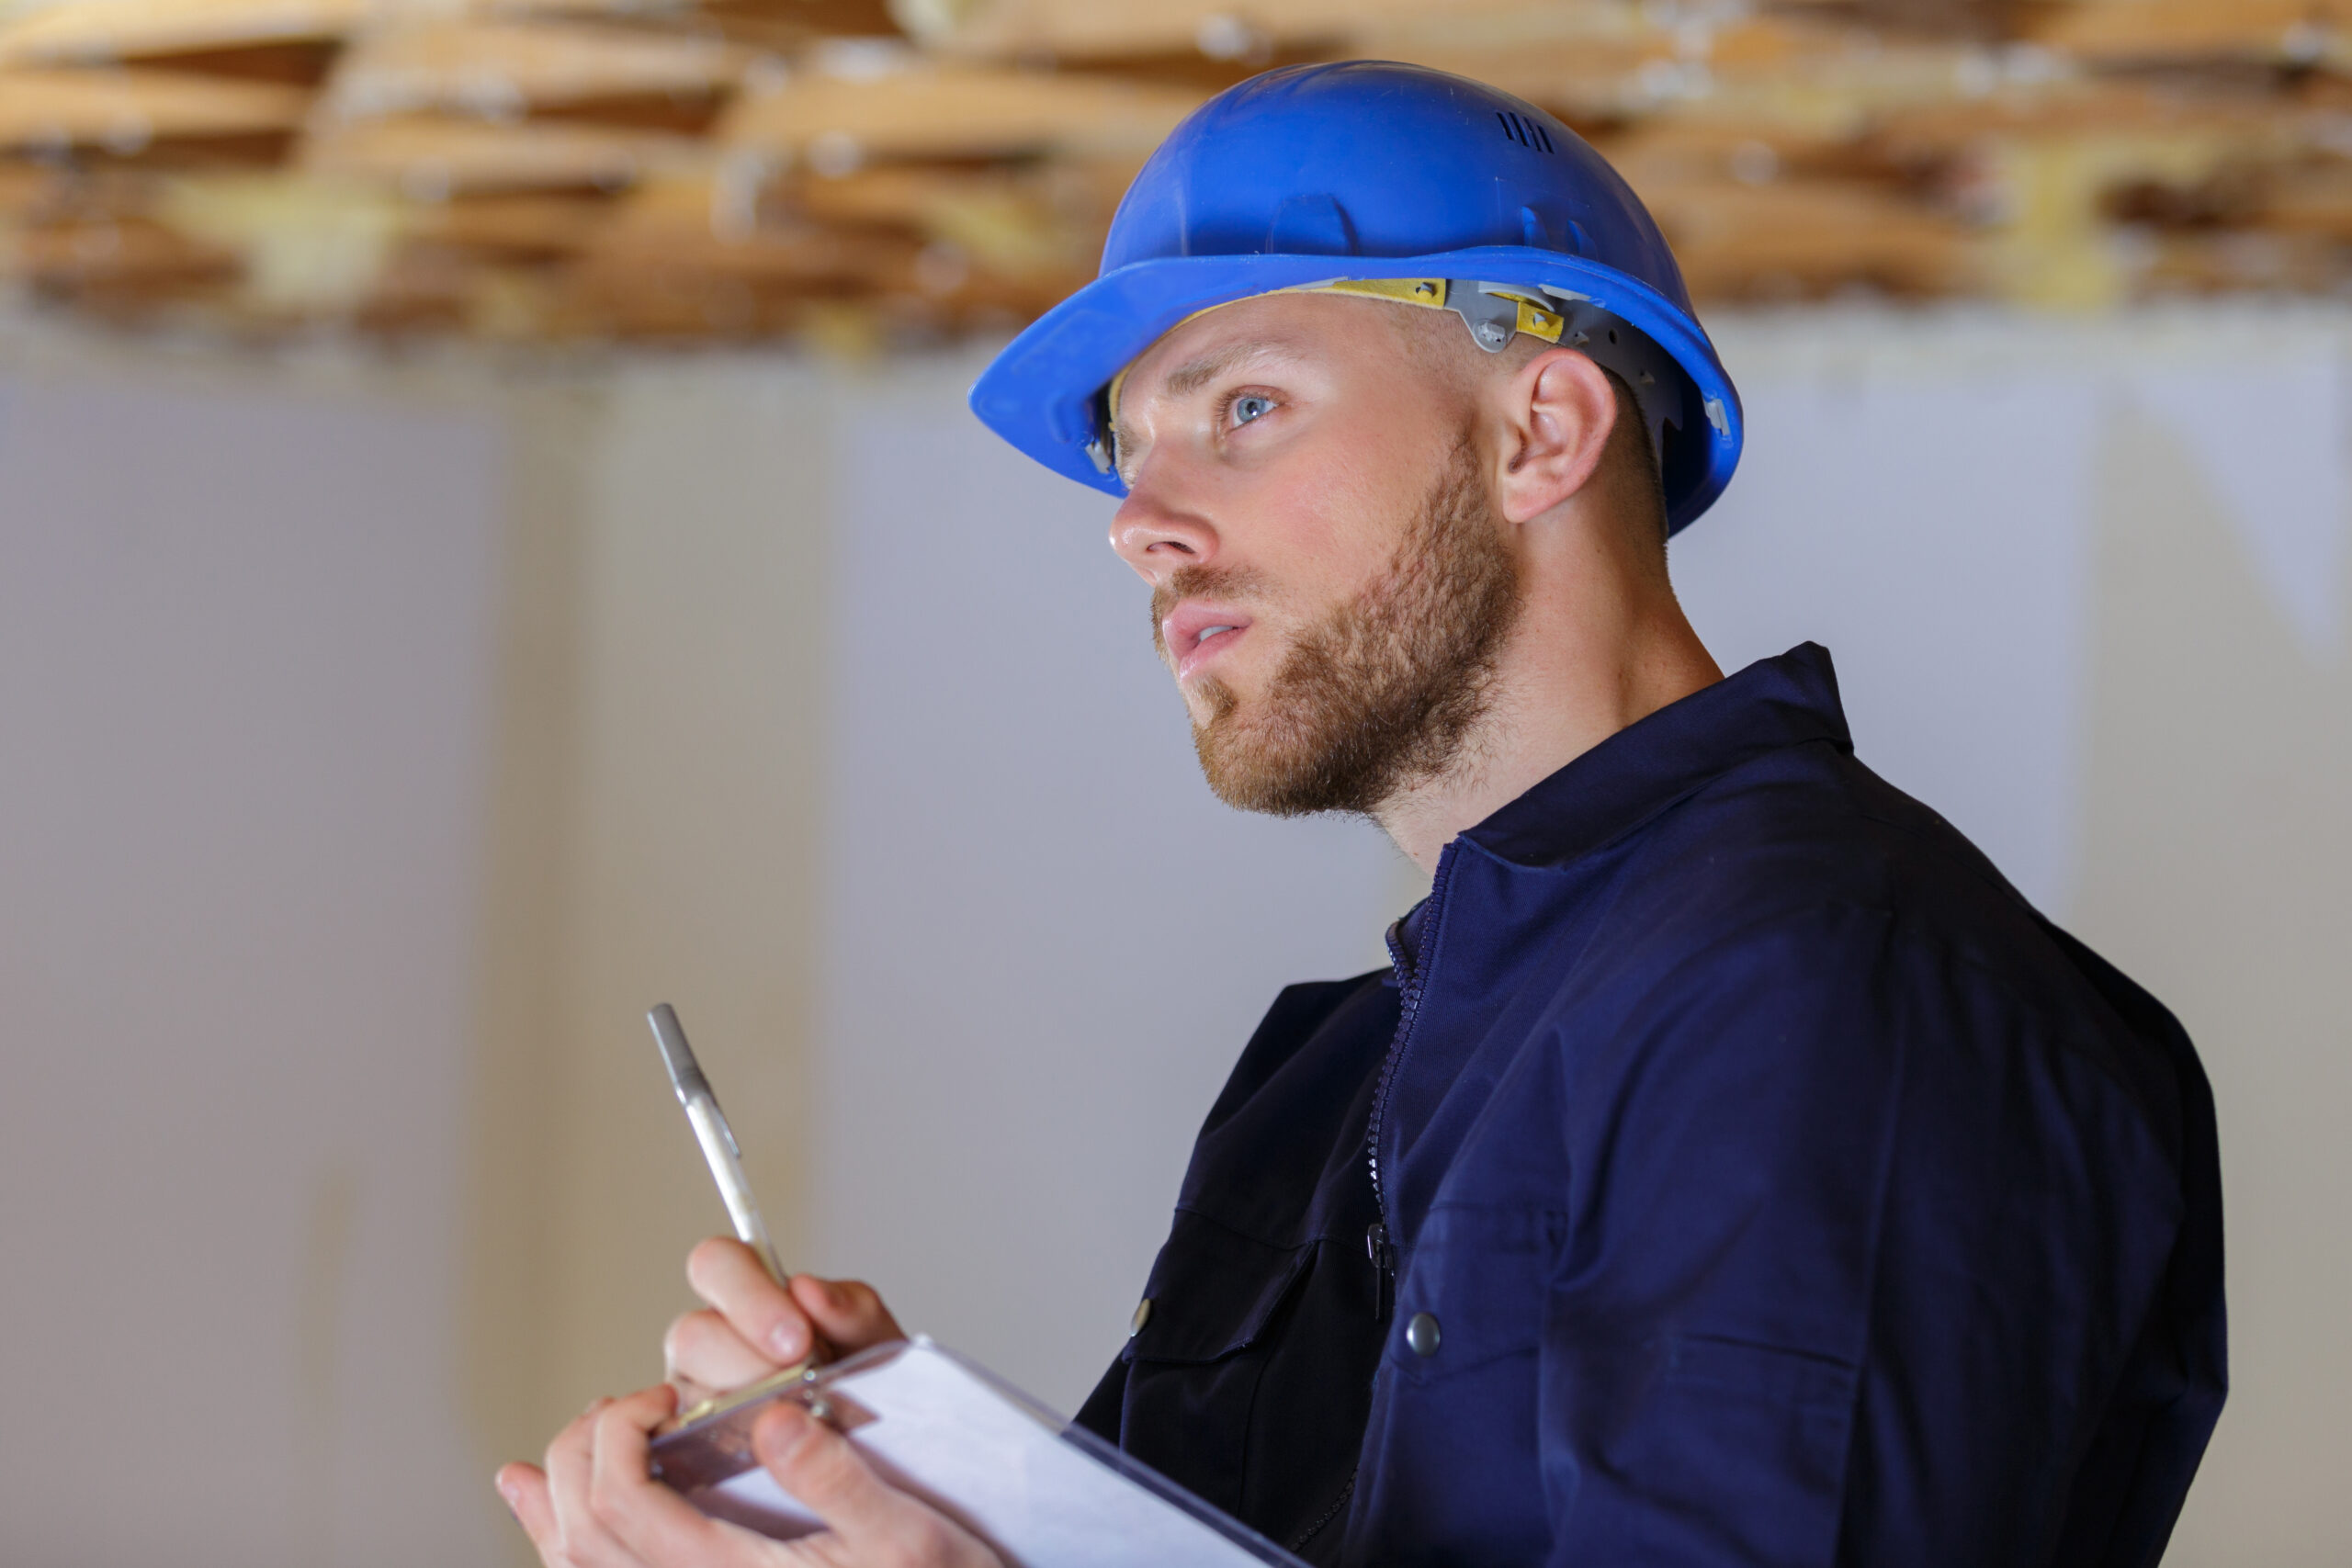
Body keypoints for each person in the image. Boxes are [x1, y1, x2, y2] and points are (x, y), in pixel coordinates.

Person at [496, 62, 2225, 1568]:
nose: (1141, 523)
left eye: (1242, 408)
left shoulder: (1828, 989)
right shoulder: (1337, 1082)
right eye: (1127, 450)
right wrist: (913, 1486)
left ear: (1539, 428)